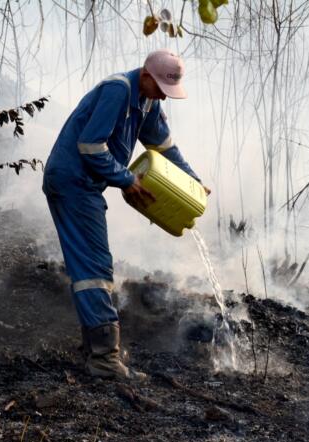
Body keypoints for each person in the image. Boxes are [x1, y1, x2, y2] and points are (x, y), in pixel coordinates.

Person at [43, 49, 207, 380]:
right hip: (73, 182)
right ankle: (104, 360)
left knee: (92, 265)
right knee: (94, 266)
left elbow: (164, 148)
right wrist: (126, 179)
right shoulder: (118, 90)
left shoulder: (149, 102)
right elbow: (90, 146)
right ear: (146, 75)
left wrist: (194, 182)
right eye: (161, 87)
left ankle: (95, 353)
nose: (164, 95)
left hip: (86, 186)